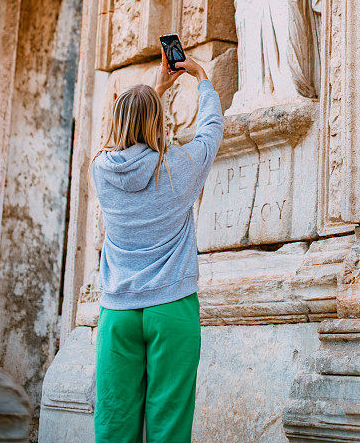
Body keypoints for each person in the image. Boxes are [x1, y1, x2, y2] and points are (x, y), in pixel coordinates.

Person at [91, 47, 224, 443]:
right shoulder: (178, 167)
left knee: (114, 422)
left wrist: (153, 89)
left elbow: (126, 134)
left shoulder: (100, 170)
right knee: (169, 422)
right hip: (172, 308)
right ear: (158, 120)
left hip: (118, 312)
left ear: (117, 122)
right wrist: (200, 79)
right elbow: (211, 130)